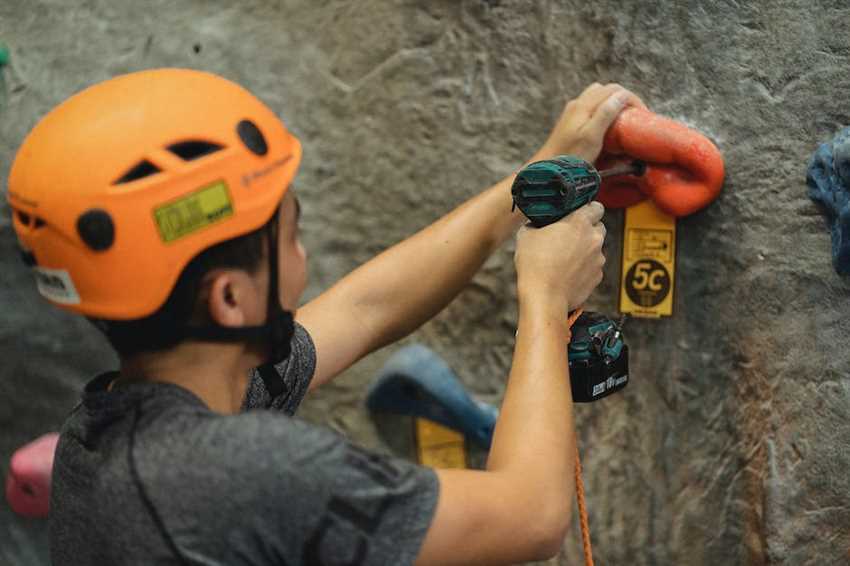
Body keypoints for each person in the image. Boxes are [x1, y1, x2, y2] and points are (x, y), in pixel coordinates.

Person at [7, 68, 643, 565]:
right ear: (230, 299)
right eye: (291, 236)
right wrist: (544, 298)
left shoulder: (110, 431)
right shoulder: (248, 473)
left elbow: (368, 308)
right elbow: (530, 517)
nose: (303, 256)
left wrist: (529, 179)